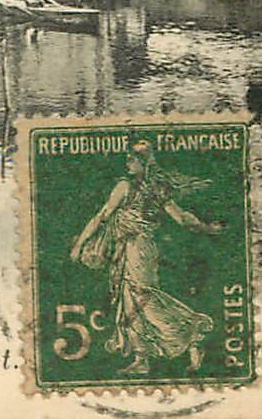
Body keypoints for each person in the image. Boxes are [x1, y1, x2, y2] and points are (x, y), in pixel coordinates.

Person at [69, 142, 223, 375]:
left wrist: (80, 245)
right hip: (136, 249)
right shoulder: (157, 189)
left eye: (132, 159)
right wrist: (206, 228)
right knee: (130, 298)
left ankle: (190, 331)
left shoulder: (126, 186)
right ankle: (142, 358)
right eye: (128, 159)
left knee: (139, 297)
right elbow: (182, 218)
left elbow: (102, 215)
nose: (127, 163)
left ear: (144, 162)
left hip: (135, 248)